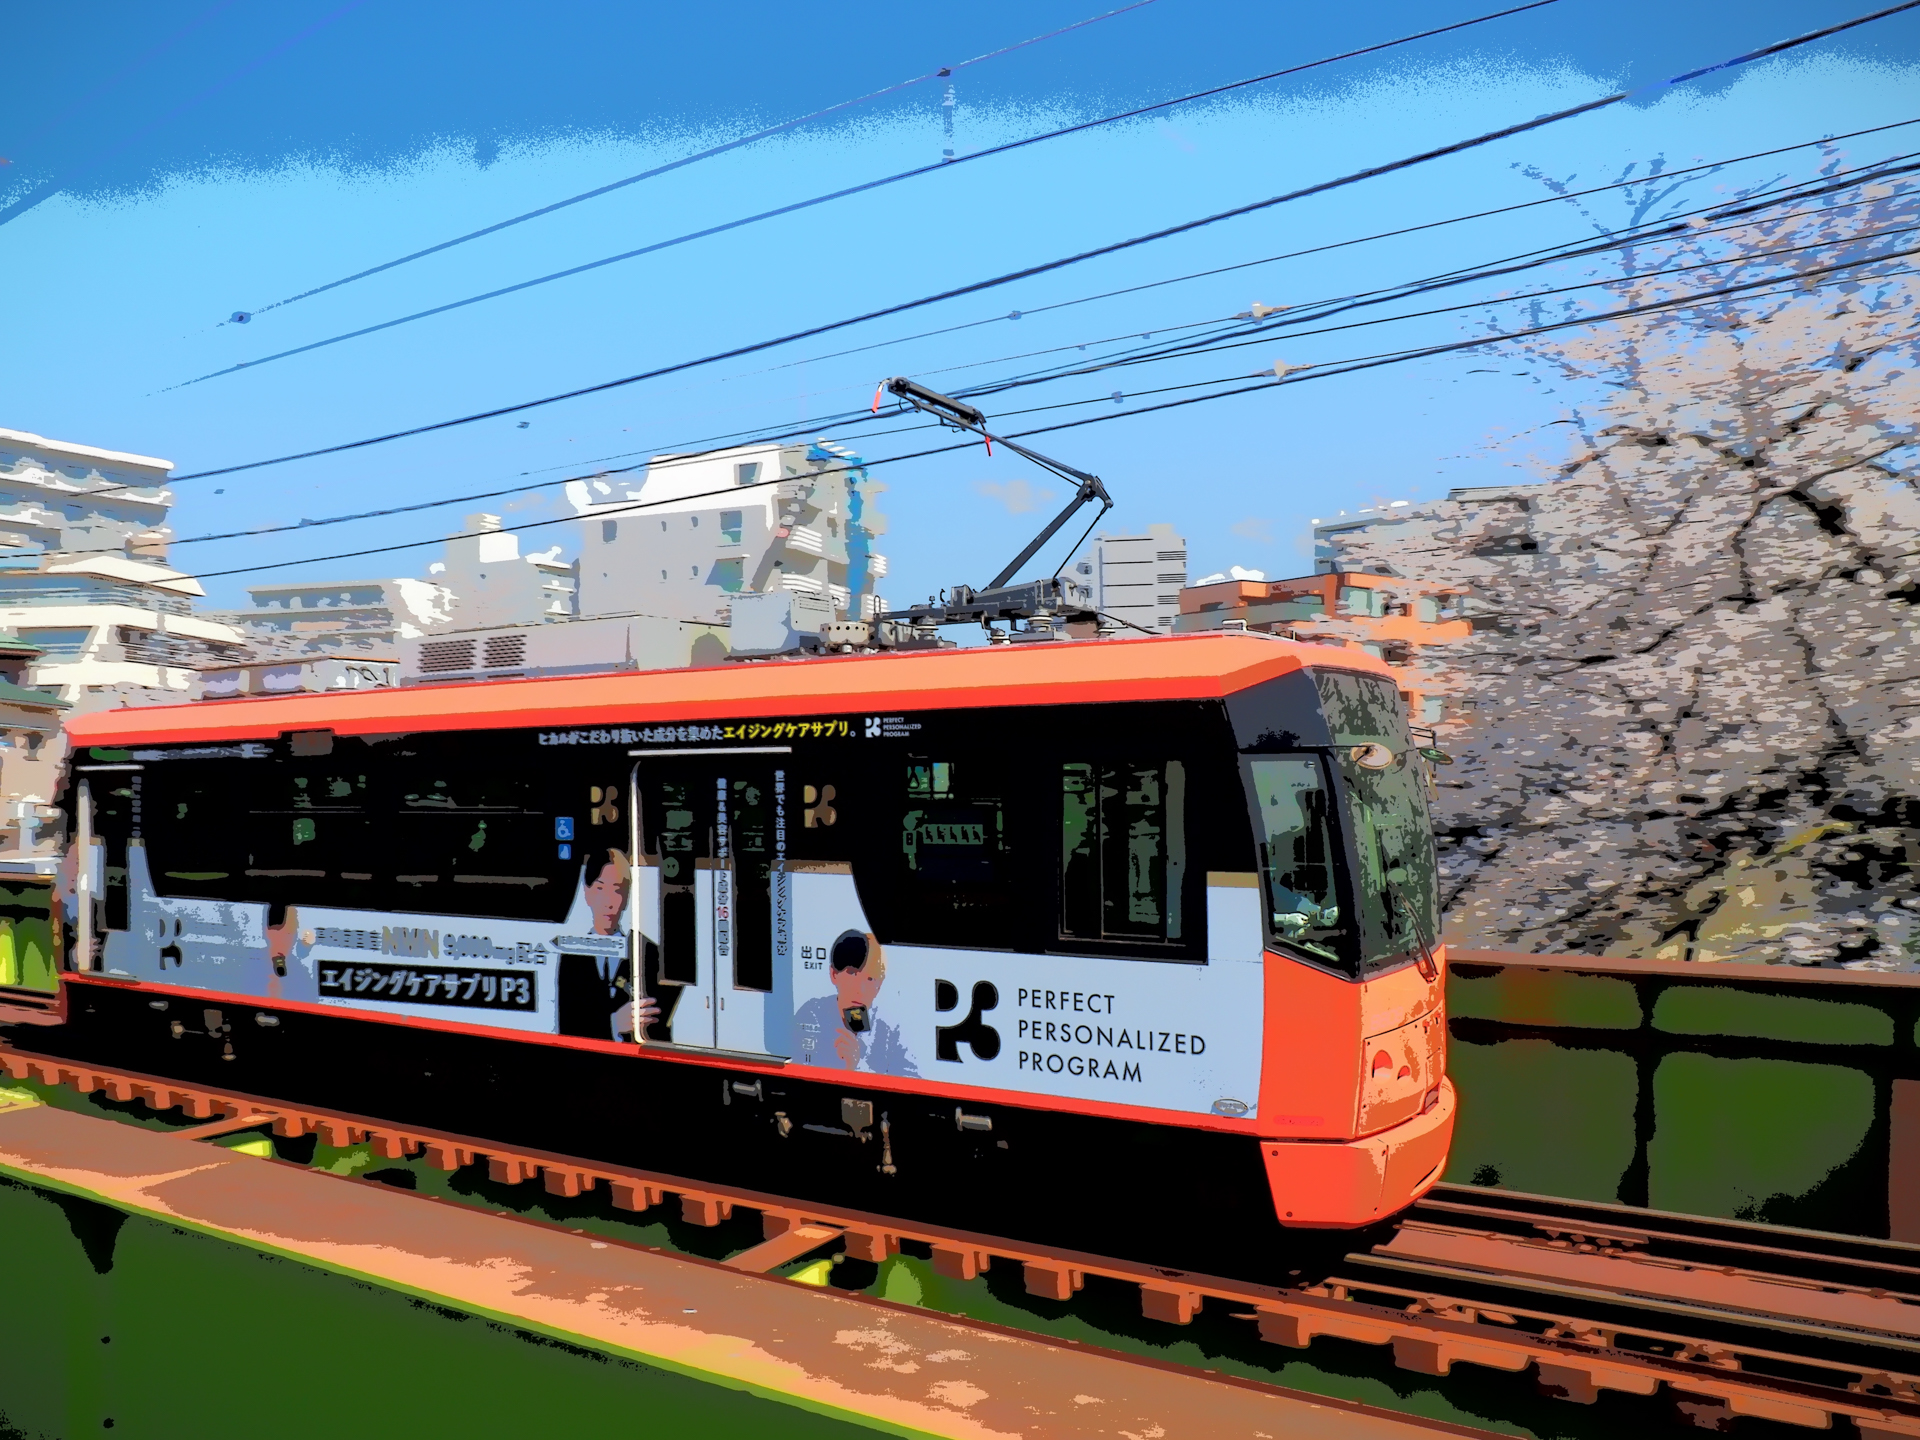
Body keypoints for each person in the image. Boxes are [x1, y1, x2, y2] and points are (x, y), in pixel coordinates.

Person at [557, 847, 661, 1040]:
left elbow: (658, 1024)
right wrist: (613, 1024)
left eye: (617, 890)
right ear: (587, 893)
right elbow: (568, 1026)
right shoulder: (572, 954)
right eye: (600, 888)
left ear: (627, 896)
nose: (608, 902)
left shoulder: (648, 952)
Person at [792, 930, 918, 1076]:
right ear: (834, 974)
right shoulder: (812, 1015)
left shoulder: (890, 1031)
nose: (860, 990)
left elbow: (912, 1080)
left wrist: (857, 1066)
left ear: (879, 986)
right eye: (852, 973)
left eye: (870, 979)